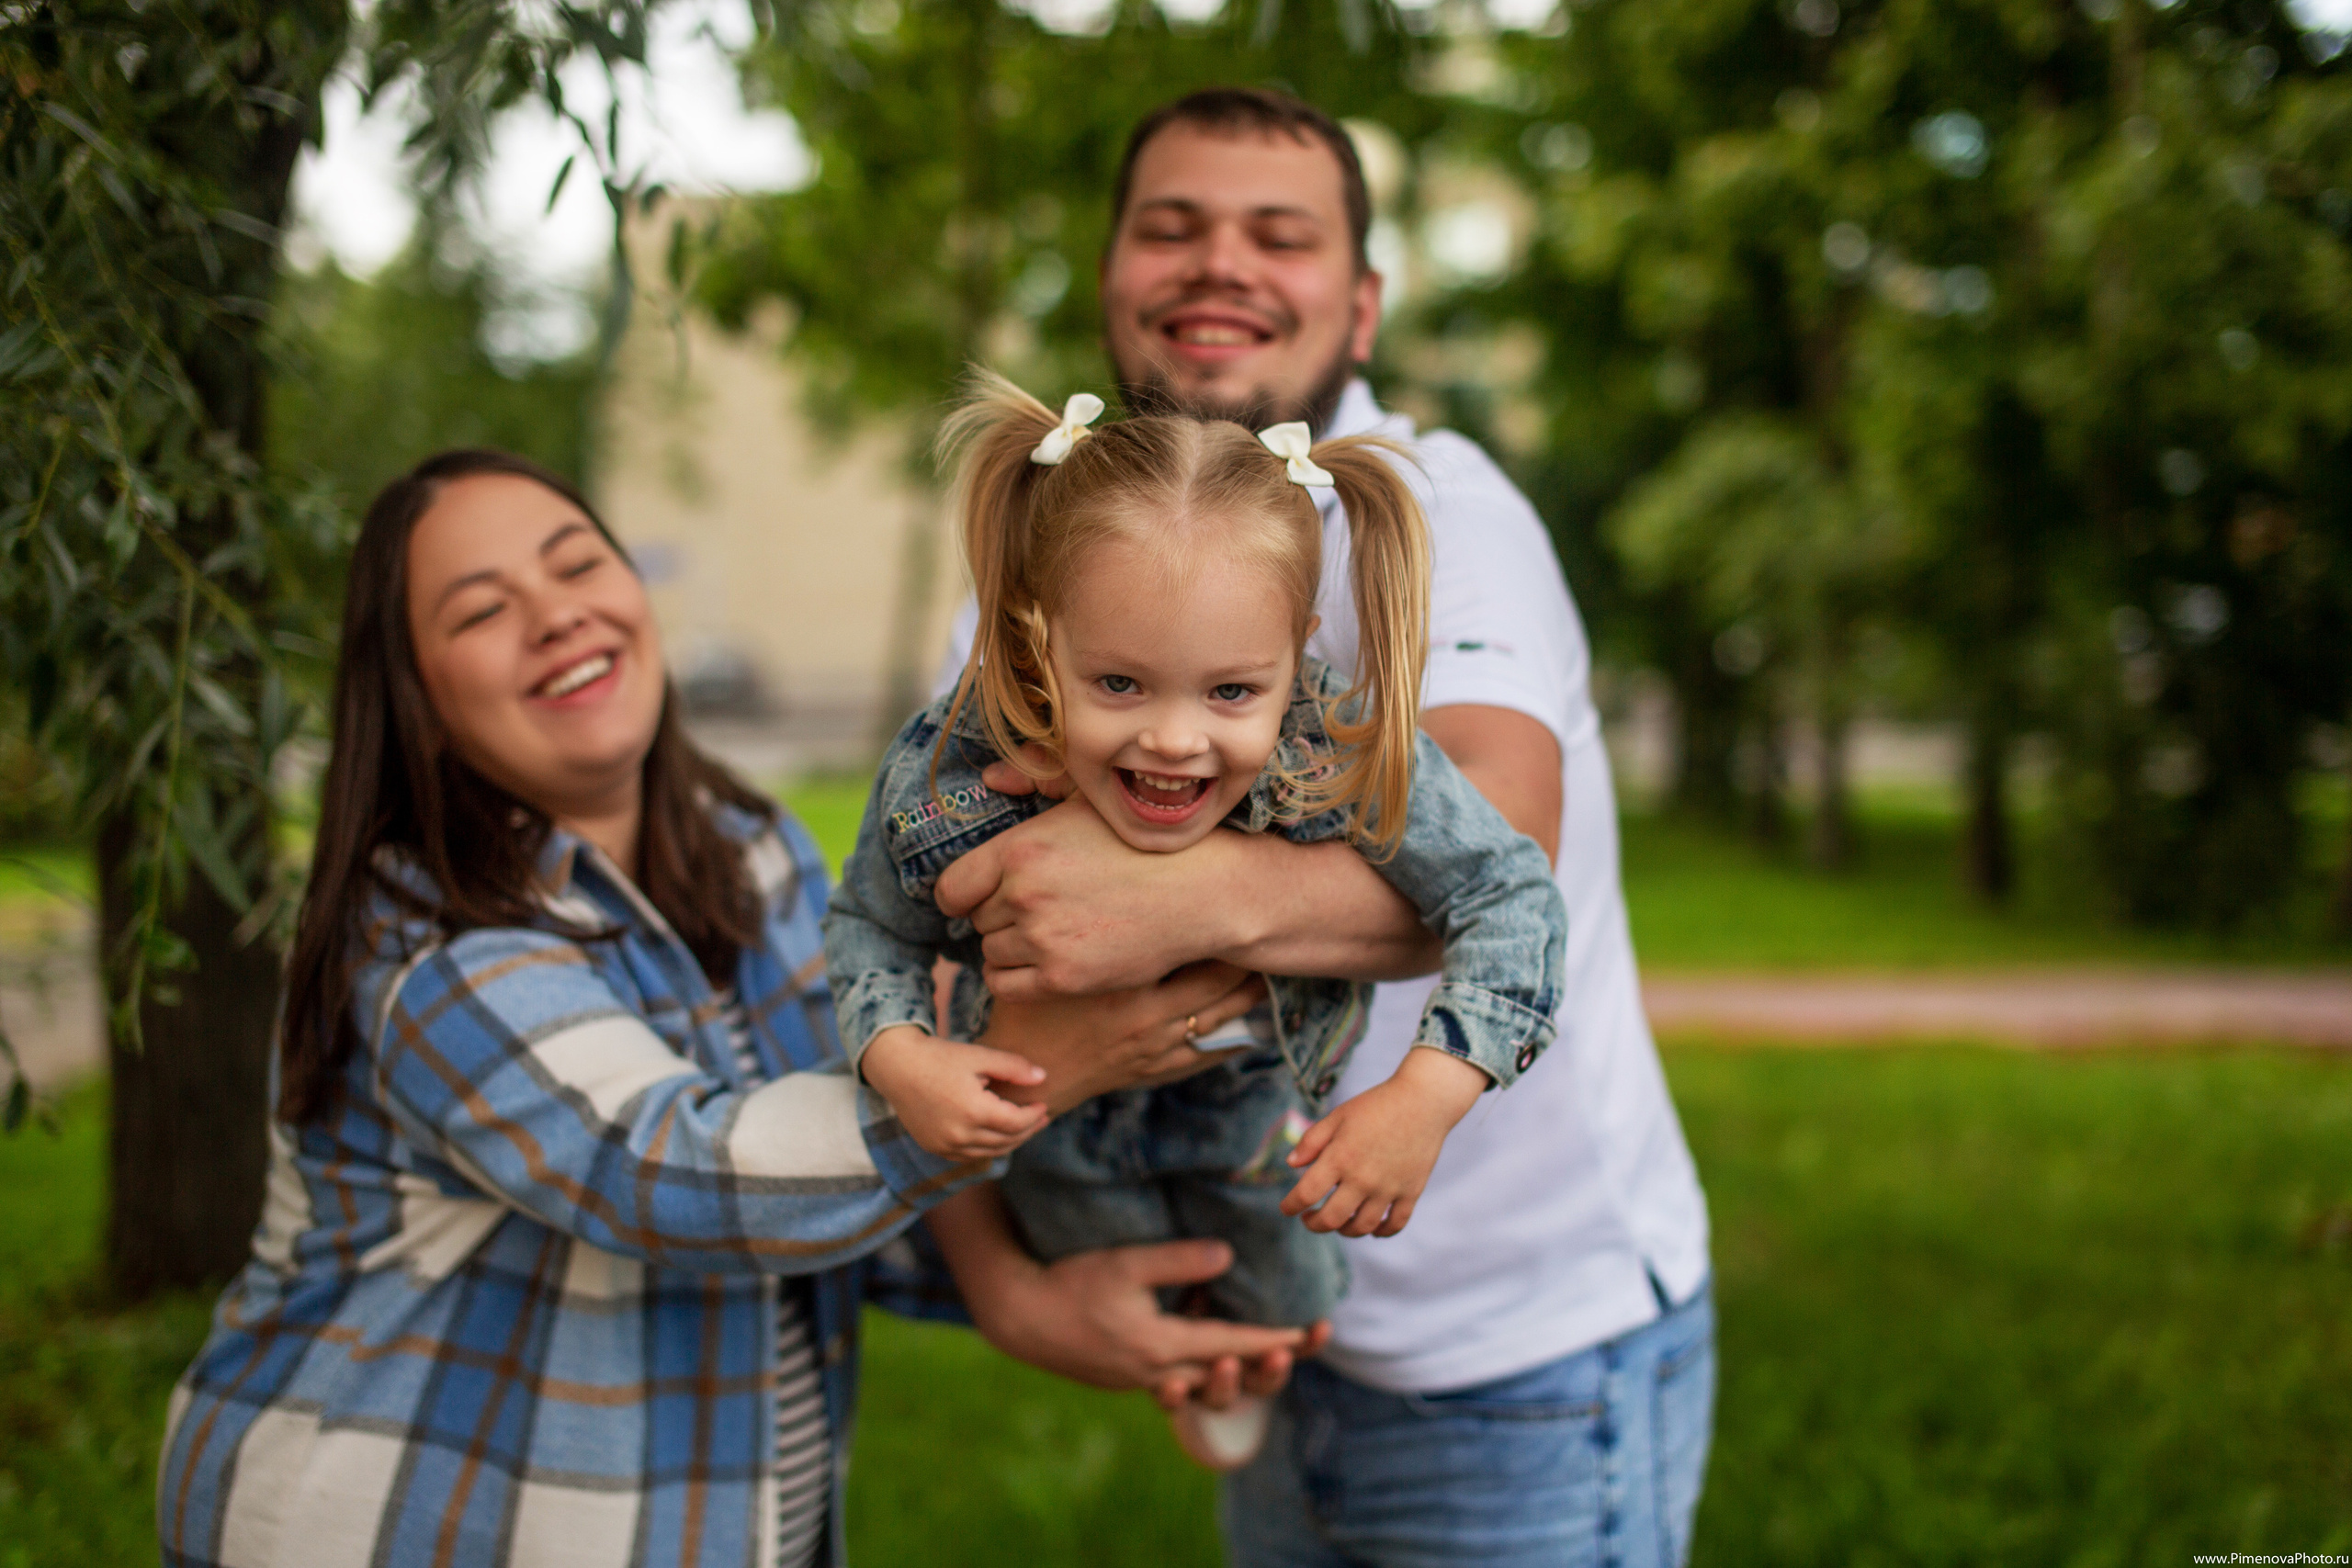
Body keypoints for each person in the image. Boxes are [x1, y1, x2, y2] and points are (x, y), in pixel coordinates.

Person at [155, 449, 1304, 1568]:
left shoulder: (753, 854)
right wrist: (1043, 1062)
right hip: (411, 1520)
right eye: (480, 611)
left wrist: (1071, 1276)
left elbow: (836, 1169)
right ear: (418, 699)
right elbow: (669, 1175)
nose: (556, 615)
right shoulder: (415, 938)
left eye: (576, 564)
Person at [928, 89, 1716, 1566]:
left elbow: (1503, 847)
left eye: (1276, 236)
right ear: (1111, 278)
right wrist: (1008, 1283)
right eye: (1173, 227)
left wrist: (1164, 902)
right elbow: (914, 934)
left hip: (1515, 1369)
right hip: (1272, 1338)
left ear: (1359, 307)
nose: (1218, 262)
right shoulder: (1055, 551)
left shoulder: (1435, 513)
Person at [824, 374, 1566, 1466]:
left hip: (1258, 1131)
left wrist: (1427, 1093)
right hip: (1059, 1140)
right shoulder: (956, 766)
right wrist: (899, 1056)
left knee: (1291, 1305)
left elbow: (1510, 894)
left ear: (1299, 649)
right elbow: (868, 924)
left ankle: (1246, 1358)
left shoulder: (1338, 741)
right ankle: (1194, 1367)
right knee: (1132, 1292)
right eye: (1120, 683)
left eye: (1231, 693)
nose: (1174, 741)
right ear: (1039, 637)